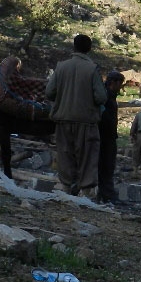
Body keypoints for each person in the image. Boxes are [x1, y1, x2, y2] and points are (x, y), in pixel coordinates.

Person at [45, 34, 107, 196]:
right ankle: (86, 191)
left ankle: (66, 188)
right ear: (89, 49)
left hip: (63, 120)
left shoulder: (61, 67)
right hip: (86, 122)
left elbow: (49, 92)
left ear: (74, 47)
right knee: (87, 157)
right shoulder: (92, 69)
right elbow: (101, 97)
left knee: (65, 155)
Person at [97, 70, 125, 204]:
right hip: (105, 136)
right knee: (106, 165)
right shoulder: (106, 96)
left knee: (106, 166)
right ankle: (107, 194)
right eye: (120, 83)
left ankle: (104, 193)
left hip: (108, 135)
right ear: (114, 82)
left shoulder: (109, 95)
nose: (121, 87)